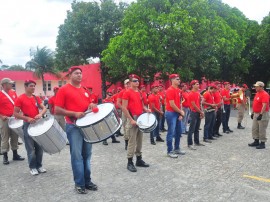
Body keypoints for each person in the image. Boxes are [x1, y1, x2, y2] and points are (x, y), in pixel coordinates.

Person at [54, 66, 98, 194]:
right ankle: (79, 183)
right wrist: (74, 113)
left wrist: (91, 105)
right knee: (77, 156)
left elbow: (89, 104)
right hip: (73, 126)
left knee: (87, 155)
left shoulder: (84, 90)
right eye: (76, 73)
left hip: (87, 126)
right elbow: (57, 109)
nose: (79, 75)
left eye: (80, 73)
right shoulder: (63, 90)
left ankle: (87, 181)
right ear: (70, 75)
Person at [13, 80, 47, 175]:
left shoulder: (36, 98)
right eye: (31, 86)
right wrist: (27, 118)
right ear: (25, 86)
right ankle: (32, 167)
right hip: (28, 125)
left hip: (38, 124)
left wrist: (40, 114)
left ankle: (39, 165)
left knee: (39, 147)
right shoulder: (20, 98)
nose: (33, 88)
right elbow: (15, 113)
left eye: (34, 86)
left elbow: (44, 108)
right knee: (30, 148)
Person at [122, 74, 150, 172]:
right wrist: (131, 119)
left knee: (140, 140)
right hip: (132, 118)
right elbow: (124, 108)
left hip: (140, 118)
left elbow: (142, 105)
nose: (137, 82)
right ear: (129, 83)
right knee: (132, 141)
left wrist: (146, 110)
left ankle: (139, 159)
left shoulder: (139, 92)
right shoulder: (127, 92)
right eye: (134, 81)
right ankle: (130, 162)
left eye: (137, 80)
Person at [0, 78, 25, 165]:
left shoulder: (13, 92)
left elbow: (17, 104)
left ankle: (15, 154)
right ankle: (5, 156)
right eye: (9, 83)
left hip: (14, 118)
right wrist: (1, 116)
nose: (11, 85)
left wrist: (20, 112)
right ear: (4, 85)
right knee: (5, 137)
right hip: (5, 119)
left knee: (15, 136)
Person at [165, 74, 185, 158]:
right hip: (171, 113)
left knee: (178, 131)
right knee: (171, 132)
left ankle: (177, 148)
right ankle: (170, 150)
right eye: (177, 79)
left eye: (179, 79)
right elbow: (172, 104)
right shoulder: (170, 90)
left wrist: (180, 113)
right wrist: (180, 111)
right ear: (172, 80)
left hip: (177, 113)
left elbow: (179, 103)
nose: (179, 80)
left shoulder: (179, 90)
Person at [248, 81, 269, 149]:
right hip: (256, 113)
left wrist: (261, 114)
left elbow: (264, 105)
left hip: (262, 114)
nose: (255, 87)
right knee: (255, 128)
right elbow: (255, 104)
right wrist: (253, 112)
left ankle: (262, 142)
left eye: (256, 86)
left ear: (261, 87)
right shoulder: (257, 93)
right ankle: (256, 140)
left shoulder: (265, 94)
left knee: (262, 129)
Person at [187, 80, 205, 150]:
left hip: (198, 112)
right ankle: (190, 143)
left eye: (198, 84)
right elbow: (194, 105)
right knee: (191, 129)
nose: (198, 85)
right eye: (197, 84)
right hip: (193, 112)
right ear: (193, 85)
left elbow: (199, 104)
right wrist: (201, 112)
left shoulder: (197, 93)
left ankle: (196, 142)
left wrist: (201, 111)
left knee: (197, 128)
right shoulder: (191, 94)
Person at [117, 79, 130, 150]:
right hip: (125, 112)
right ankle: (126, 142)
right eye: (126, 84)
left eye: (129, 84)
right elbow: (118, 103)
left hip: (132, 112)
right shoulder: (122, 92)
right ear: (124, 85)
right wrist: (123, 108)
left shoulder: (133, 91)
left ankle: (132, 142)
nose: (128, 85)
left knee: (131, 128)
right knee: (125, 127)